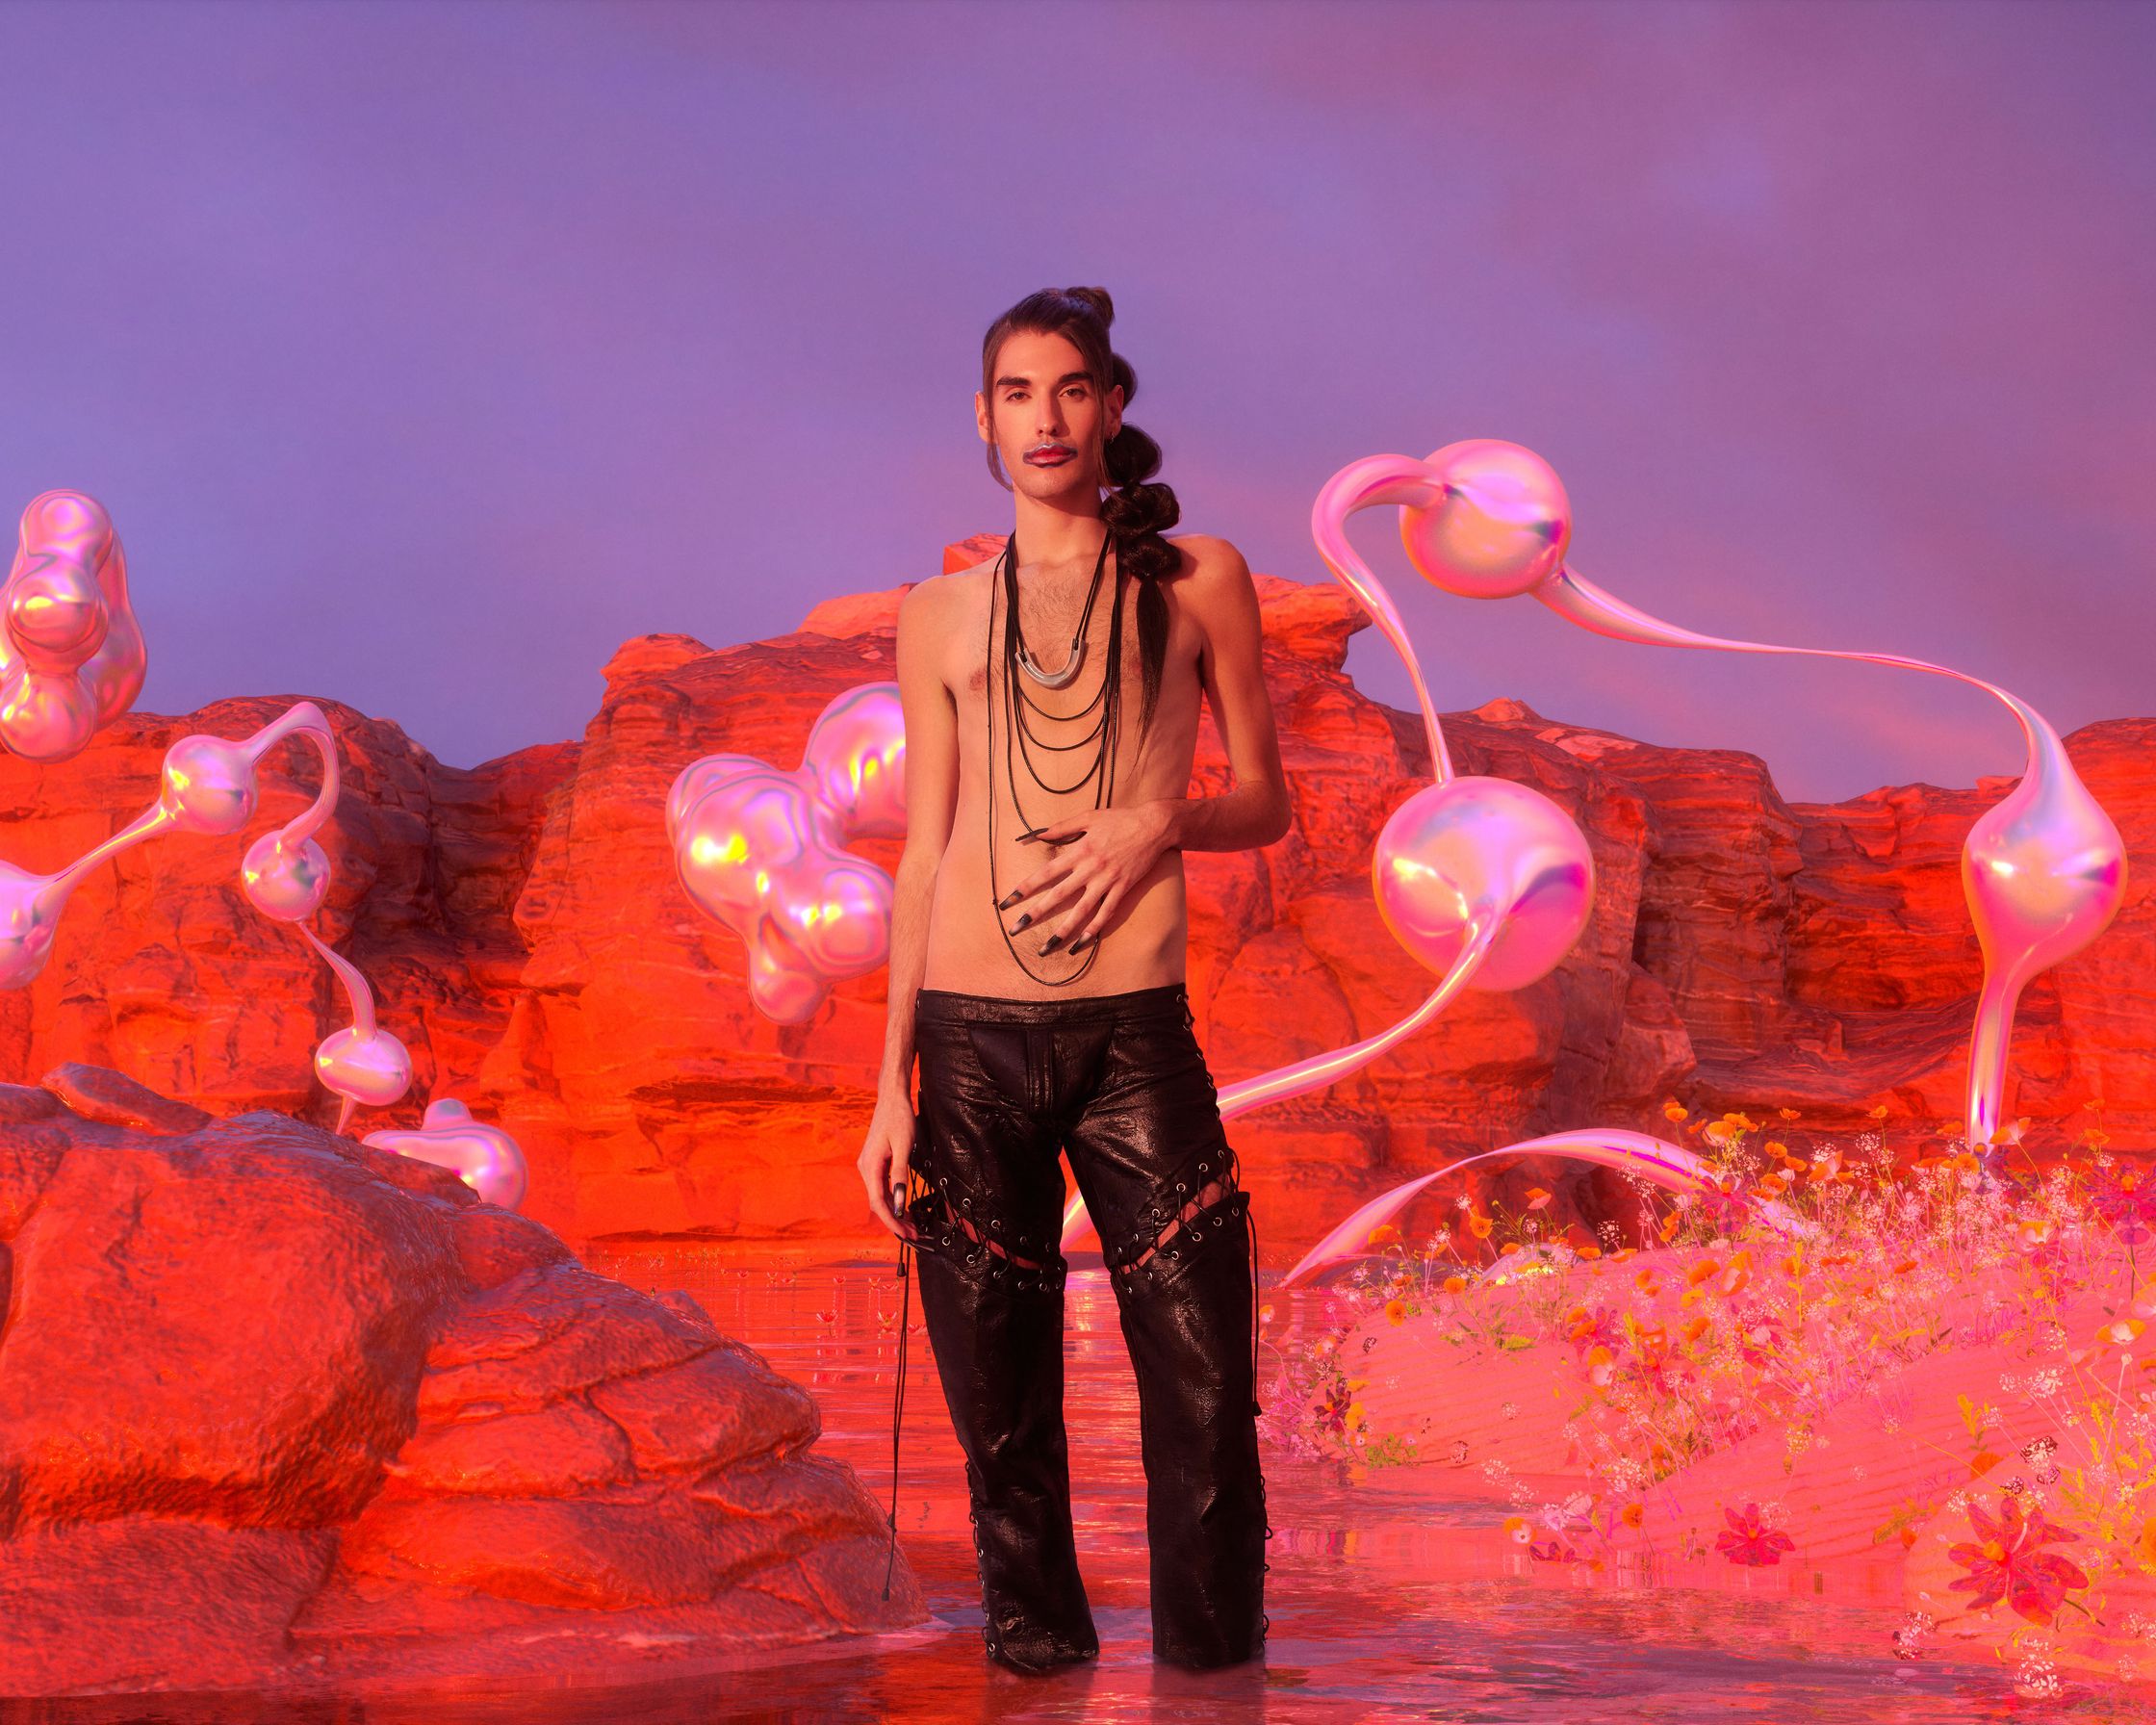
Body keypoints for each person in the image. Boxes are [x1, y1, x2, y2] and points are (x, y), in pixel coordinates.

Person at [858, 285, 1291, 1674]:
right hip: (968, 1046)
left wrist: (1158, 819)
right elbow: (923, 858)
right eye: (1015, 393)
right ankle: (1037, 1686)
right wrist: (887, 1095)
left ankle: (1214, 1695)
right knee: (1002, 1429)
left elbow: (1265, 800)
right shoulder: (935, 615)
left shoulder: (1200, 577)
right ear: (983, 420)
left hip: (1133, 1042)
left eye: (1069, 390)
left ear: (1112, 408)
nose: (1044, 418)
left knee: (1209, 1400)